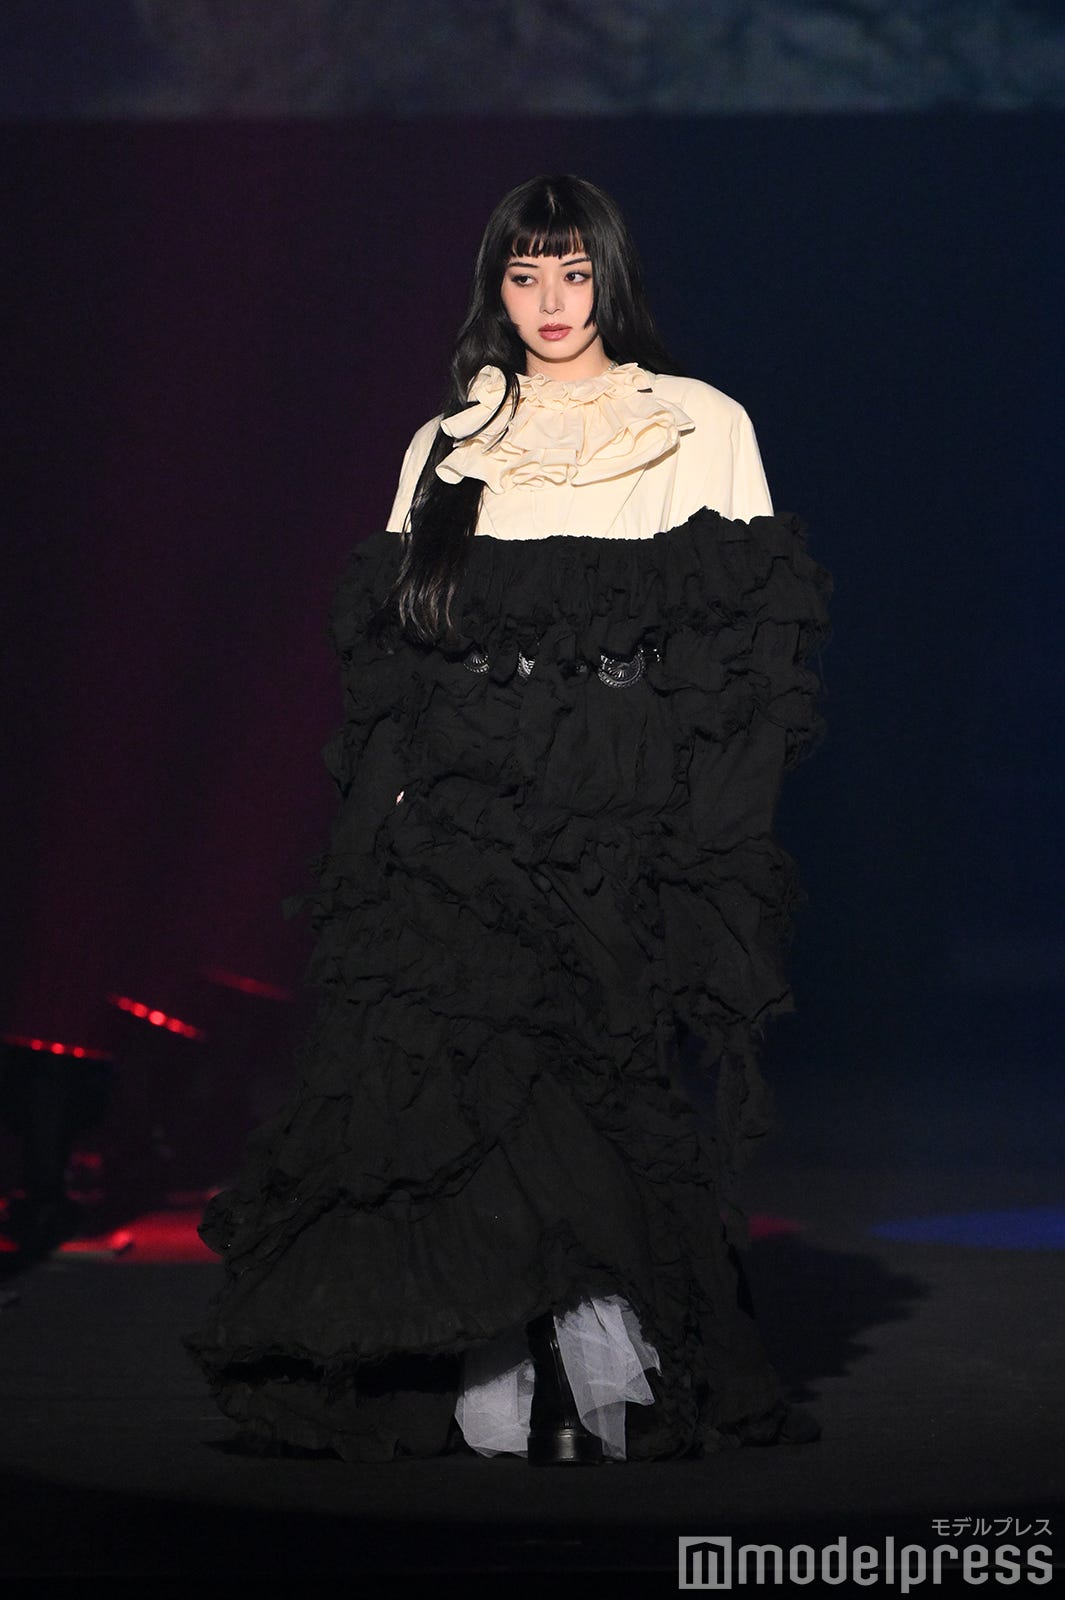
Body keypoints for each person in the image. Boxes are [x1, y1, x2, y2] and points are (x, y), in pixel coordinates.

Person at [183, 174, 832, 1466]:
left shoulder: (695, 424)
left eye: (574, 272)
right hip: (463, 796)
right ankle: (489, 1379)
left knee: (597, 1077)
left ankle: (607, 1379)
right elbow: (394, 659)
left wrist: (709, 829)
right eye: (524, 274)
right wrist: (386, 816)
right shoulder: (451, 439)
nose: (550, 301)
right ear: (494, 287)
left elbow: (746, 647)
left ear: (610, 279)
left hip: (613, 792)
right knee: (462, 1081)